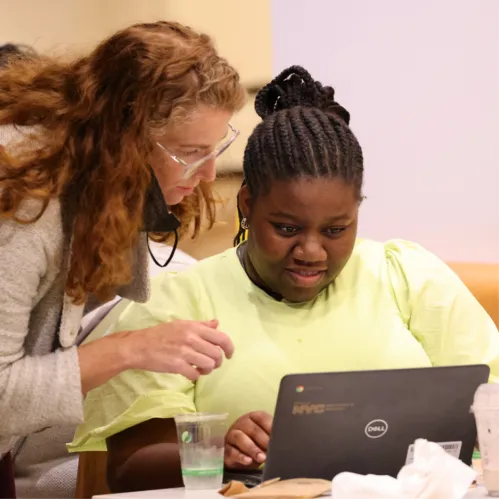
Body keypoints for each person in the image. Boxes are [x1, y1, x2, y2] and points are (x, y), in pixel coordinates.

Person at [70, 65, 500, 492]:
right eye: (287, 228)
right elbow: (128, 468)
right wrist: (219, 452)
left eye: (336, 230)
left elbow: (493, 403)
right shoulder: (173, 305)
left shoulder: (407, 276)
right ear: (247, 204)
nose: (311, 251)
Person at [0, 20, 245, 497]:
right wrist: (133, 348)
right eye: (191, 152)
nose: (210, 173)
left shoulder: (86, 179)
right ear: (127, 141)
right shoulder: (23, 199)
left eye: (216, 149)